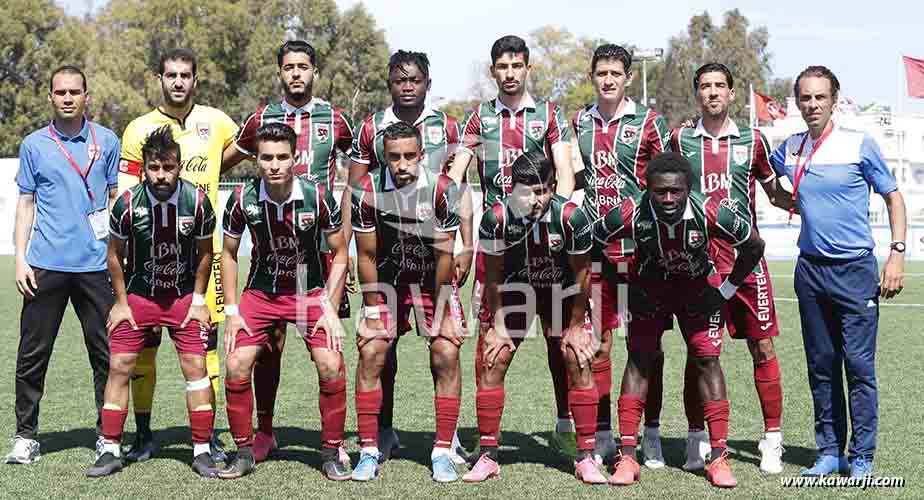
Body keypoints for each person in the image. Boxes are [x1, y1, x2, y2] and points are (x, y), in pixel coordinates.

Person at [596, 152, 766, 488]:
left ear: (689, 188)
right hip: (649, 290)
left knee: (708, 362)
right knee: (639, 361)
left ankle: (718, 457)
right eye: (660, 192)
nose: (669, 198)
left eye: (676, 191)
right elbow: (591, 242)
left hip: (697, 291)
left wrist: (726, 290)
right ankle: (628, 455)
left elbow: (754, 246)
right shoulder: (632, 210)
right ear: (648, 189)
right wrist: (623, 287)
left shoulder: (711, 211)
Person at [769, 66, 906, 479]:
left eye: (819, 98)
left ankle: (861, 455)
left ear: (835, 99)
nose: (812, 105)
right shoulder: (790, 148)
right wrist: (789, 203)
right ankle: (829, 451)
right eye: (805, 98)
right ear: (797, 102)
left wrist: (896, 253)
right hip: (810, 271)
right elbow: (770, 182)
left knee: (859, 367)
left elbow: (894, 199)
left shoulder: (857, 144)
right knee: (821, 365)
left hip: (855, 271)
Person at [222, 39, 354, 464]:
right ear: (279, 72)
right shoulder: (261, 119)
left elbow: (355, 180)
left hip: (320, 260)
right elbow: (222, 161)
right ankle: (263, 432)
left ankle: (342, 446)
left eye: (303, 66)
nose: (296, 73)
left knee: (331, 356)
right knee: (266, 348)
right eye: (289, 67)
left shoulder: (335, 120)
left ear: (314, 70)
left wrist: (346, 250)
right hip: (268, 259)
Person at [449, 34, 578, 459]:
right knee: (491, 338)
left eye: (516, 66)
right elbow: (459, 174)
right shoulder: (478, 119)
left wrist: (548, 220)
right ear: (493, 71)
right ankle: (485, 440)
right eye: (501, 67)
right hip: (500, 242)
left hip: (546, 247)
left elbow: (564, 176)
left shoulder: (548, 115)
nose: (509, 74)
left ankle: (565, 425)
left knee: (560, 340)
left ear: (527, 68)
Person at [664, 62, 794, 474]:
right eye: (705, 86)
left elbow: (774, 192)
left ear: (732, 93)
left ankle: (772, 439)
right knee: (699, 352)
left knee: (763, 346)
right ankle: (695, 438)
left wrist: (807, 200)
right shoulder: (680, 139)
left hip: (746, 260)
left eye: (720, 86)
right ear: (697, 93)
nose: (713, 93)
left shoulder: (753, 141)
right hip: (699, 263)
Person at [344, 49, 468, 463]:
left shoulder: (446, 125)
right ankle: (382, 430)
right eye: (400, 80)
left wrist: (463, 243)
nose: (408, 86)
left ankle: (446, 439)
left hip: (435, 253)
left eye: (415, 79)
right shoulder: (371, 127)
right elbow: (356, 190)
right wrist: (347, 251)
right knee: (382, 348)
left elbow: (459, 189)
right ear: (390, 84)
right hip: (386, 259)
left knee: (445, 347)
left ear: (428, 84)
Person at [117, 48, 238, 462]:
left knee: (206, 349)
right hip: (149, 262)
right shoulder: (138, 129)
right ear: (160, 78)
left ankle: (207, 437)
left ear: (196, 79)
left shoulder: (217, 121)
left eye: (186, 74)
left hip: (205, 256)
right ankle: (144, 433)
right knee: (142, 352)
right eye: (171, 75)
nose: (179, 82)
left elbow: (245, 149)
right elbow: (126, 194)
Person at [463, 151, 605, 485]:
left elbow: (582, 275)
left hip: (562, 291)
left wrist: (574, 328)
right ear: (513, 190)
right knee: (492, 358)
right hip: (514, 290)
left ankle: (585, 457)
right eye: (526, 192)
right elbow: (494, 276)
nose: (534, 199)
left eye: (541, 191)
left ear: (553, 187)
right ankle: (488, 454)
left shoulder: (572, 218)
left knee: (578, 357)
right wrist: (497, 326)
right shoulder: (496, 218)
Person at [87, 126, 218, 478]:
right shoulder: (127, 204)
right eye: (154, 168)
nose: (161, 176)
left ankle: (202, 450)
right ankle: (111, 448)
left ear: (180, 166)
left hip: (181, 299)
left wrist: (198, 299)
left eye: (169, 168)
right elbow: (114, 255)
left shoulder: (198, 202)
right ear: (144, 168)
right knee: (121, 365)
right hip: (140, 297)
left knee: (196, 367)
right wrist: (121, 302)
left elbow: (206, 254)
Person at [5, 65, 119, 465]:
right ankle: (25, 435)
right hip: (45, 265)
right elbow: (25, 204)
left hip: (96, 266)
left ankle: (109, 434)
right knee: (33, 354)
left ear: (87, 95)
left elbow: (116, 200)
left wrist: (119, 260)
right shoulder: (35, 144)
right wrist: (20, 259)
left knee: (106, 354)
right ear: (50, 96)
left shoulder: (107, 140)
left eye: (75, 91)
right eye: (60, 92)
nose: (68, 98)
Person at [571, 43, 671, 465]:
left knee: (646, 346)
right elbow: (573, 181)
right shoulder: (580, 122)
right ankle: (604, 434)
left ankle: (649, 433)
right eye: (601, 73)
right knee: (601, 345)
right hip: (596, 252)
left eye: (615, 73)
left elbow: (668, 178)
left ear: (628, 77)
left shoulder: (649, 121)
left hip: (641, 254)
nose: (608, 80)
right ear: (592, 77)